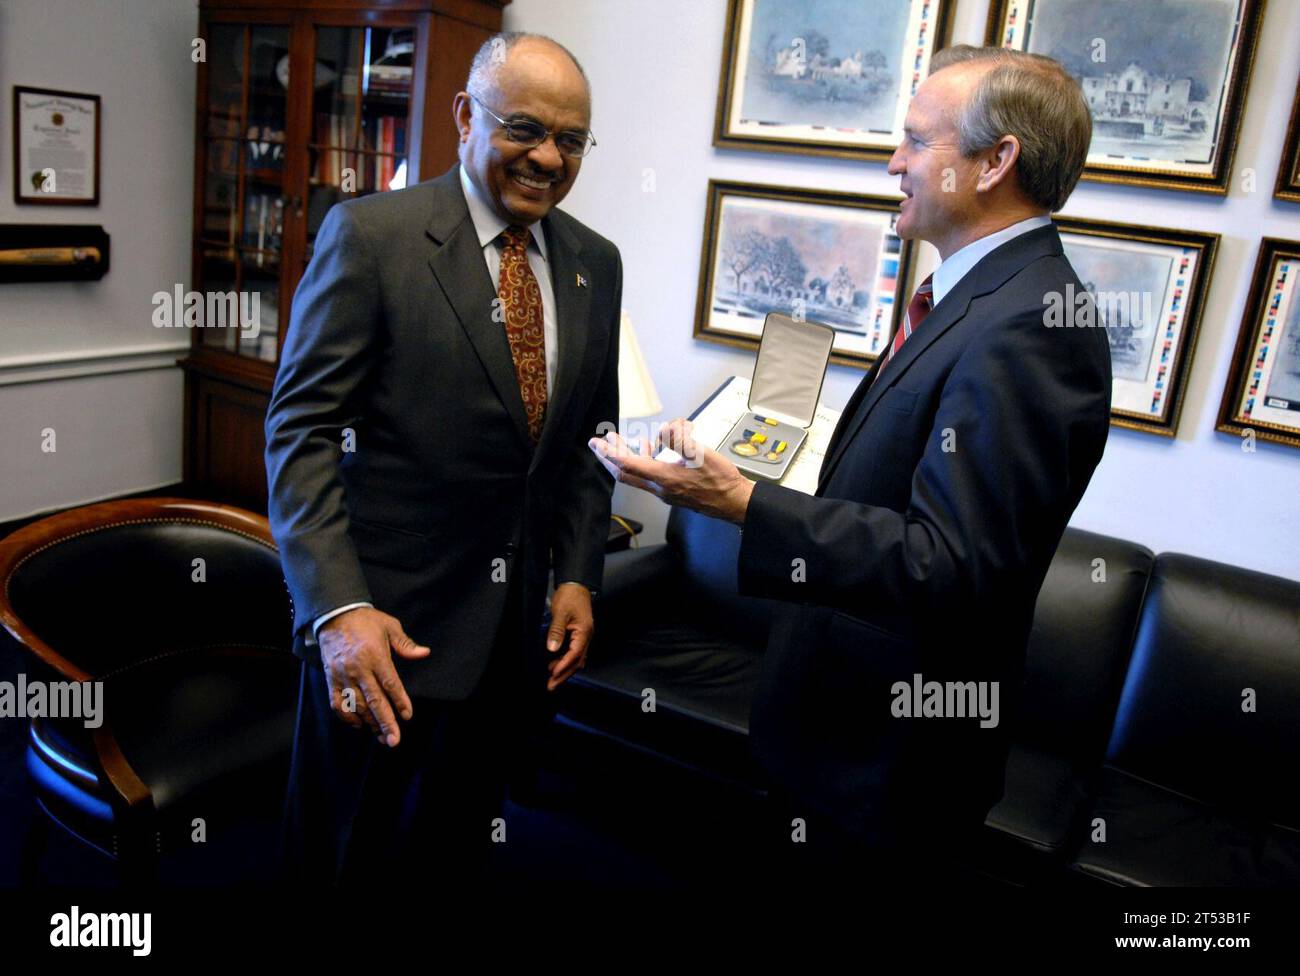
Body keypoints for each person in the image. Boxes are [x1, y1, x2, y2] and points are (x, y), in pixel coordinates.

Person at [590, 45, 1111, 884]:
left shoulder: (1032, 324)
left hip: (889, 766)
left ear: (995, 162)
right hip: (834, 736)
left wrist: (743, 503)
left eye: (914, 140)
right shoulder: (972, 299)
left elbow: (950, 564)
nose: (894, 161)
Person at [265, 30, 621, 885]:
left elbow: (584, 444)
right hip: (385, 631)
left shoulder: (593, 264)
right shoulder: (372, 238)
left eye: (569, 140)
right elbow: (301, 430)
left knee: (458, 843)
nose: (546, 157)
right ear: (465, 115)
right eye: (524, 129)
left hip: (514, 639)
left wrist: (576, 574)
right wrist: (339, 611)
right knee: (343, 849)